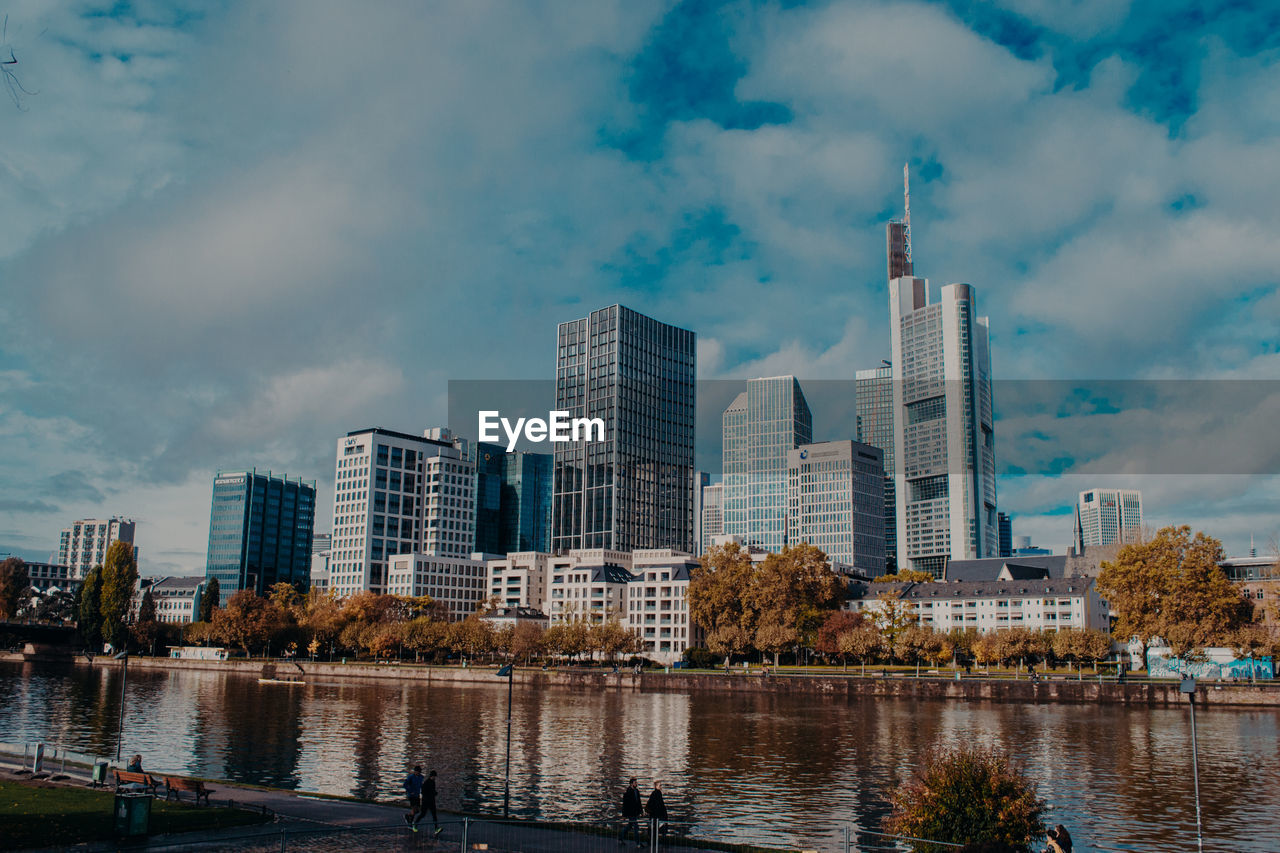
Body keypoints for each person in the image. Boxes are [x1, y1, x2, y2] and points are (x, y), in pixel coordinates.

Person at [619, 776, 642, 847]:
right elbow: (625, 805)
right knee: (636, 827)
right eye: (635, 782)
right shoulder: (628, 793)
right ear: (631, 784)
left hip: (635, 812)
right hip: (631, 813)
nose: (636, 784)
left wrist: (640, 811)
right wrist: (624, 815)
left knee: (629, 826)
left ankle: (621, 837)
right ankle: (638, 843)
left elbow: (639, 802)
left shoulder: (636, 791)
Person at [420, 769, 442, 835]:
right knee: (423, 814)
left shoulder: (433, 782)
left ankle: (436, 829)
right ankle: (415, 824)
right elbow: (423, 792)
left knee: (434, 815)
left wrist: (434, 793)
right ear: (431, 776)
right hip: (426, 801)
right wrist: (432, 794)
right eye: (434, 776)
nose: (435, 778)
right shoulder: (426, 783)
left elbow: (432, 791)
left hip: (432, 801)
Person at [403, 766, 424, 831]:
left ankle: (408, 816)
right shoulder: (411, 777)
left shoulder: (421, 777)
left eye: (419, 772)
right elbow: (405, 785)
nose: (418, 773)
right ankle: (410, 823)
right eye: (417, 772)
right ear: (415, 771)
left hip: (417, 795)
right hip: (411, 795)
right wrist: (410, 791)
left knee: (417, 810)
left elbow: (421, 785)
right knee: (414, 808)